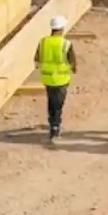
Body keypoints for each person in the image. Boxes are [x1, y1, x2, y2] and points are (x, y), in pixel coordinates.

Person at [35, 15, 76, 144]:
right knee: (58, 104)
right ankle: (55, 127)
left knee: (51, 102)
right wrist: (73, 69)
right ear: (62, 29)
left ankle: (53, 124)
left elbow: (37, 59)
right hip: (62, 79)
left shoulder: (43, 42)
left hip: (47, 78)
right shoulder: (66, 43)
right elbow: (72, 61)